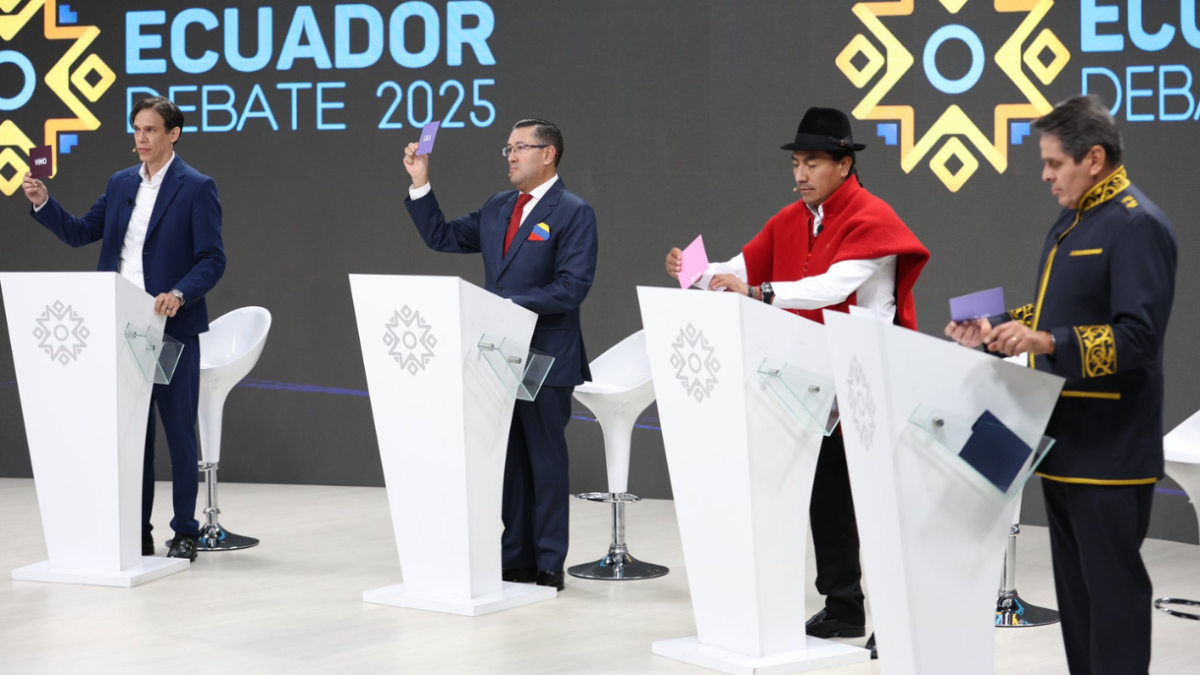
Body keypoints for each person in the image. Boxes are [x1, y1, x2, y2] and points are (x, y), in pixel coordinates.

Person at [666, 107, 929, 658]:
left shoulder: (873, 216)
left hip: (868, 379)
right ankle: (843, 607)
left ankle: (901, 622)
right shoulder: (791, 219)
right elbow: (737, 269)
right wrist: (693, 271)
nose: (800, 173)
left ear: (845, 164)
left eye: (812, 162)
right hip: (814, 380)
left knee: (879, 508)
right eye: (796, 163)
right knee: (827, 499)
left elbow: (833, 286)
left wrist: (760, 292)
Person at [945, 95, 1175, 675]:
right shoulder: (1072, 222)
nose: (1046, 176)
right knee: (1077, 603)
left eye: (1054, 163)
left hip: (1113, 450)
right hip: (1063, 442)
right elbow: (1055, 313)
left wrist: (1047, 341)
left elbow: (1139, 338)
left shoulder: (1137, 225)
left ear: (1093, 158)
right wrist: (996, 327)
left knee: (1114, 601)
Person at [22, 96, 226, 562]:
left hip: (170, 329)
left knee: (178, 434)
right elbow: (80, 232)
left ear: (173, 134)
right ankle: (137, 531)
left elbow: (212, 259)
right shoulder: (120, 184)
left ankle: (186, 531)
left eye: (150, 129)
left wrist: (180, 292)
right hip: (120, 326)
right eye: (137, 129)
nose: (141, 138)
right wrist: (43, 203)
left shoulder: (197, 187)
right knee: (133, 437)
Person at [402, 118, 598, 591]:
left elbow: (572, 287)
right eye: (507, 148)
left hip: (546, 356)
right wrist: (420, 182)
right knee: (509, 463)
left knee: (545, 462)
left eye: (520, 147)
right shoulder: (497, 207)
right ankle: (516, 558)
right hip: (500, 357)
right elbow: (442, 237)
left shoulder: (574, 211)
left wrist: (506, 306)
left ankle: (549, 560)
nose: (510, 155)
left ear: (548, 154)